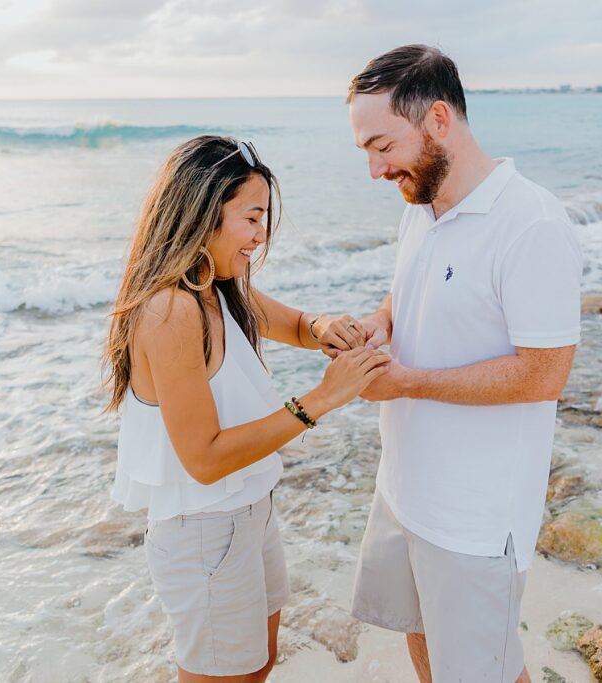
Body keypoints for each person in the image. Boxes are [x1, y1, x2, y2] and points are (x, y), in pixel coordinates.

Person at [103, 135, 389, 682]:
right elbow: (204, 459)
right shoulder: (171, 309)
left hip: (248, 511)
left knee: (256, 666)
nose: (261, 236)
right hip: (204, 528)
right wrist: (323, 398)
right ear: (204, 213)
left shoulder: (217, 285)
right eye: (252, 217)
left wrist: (327, 326)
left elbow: (296, 324)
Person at [344, 45, 584, 683]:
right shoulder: (420, 208)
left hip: (474, 516)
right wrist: (380, 321)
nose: (373, 169)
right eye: (365, 151)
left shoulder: (531, 224)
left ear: (439, 120)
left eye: (382, 146)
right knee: (421, 640)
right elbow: (414, 289)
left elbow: (543, 374)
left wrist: (407, 382)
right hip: (402, 488)